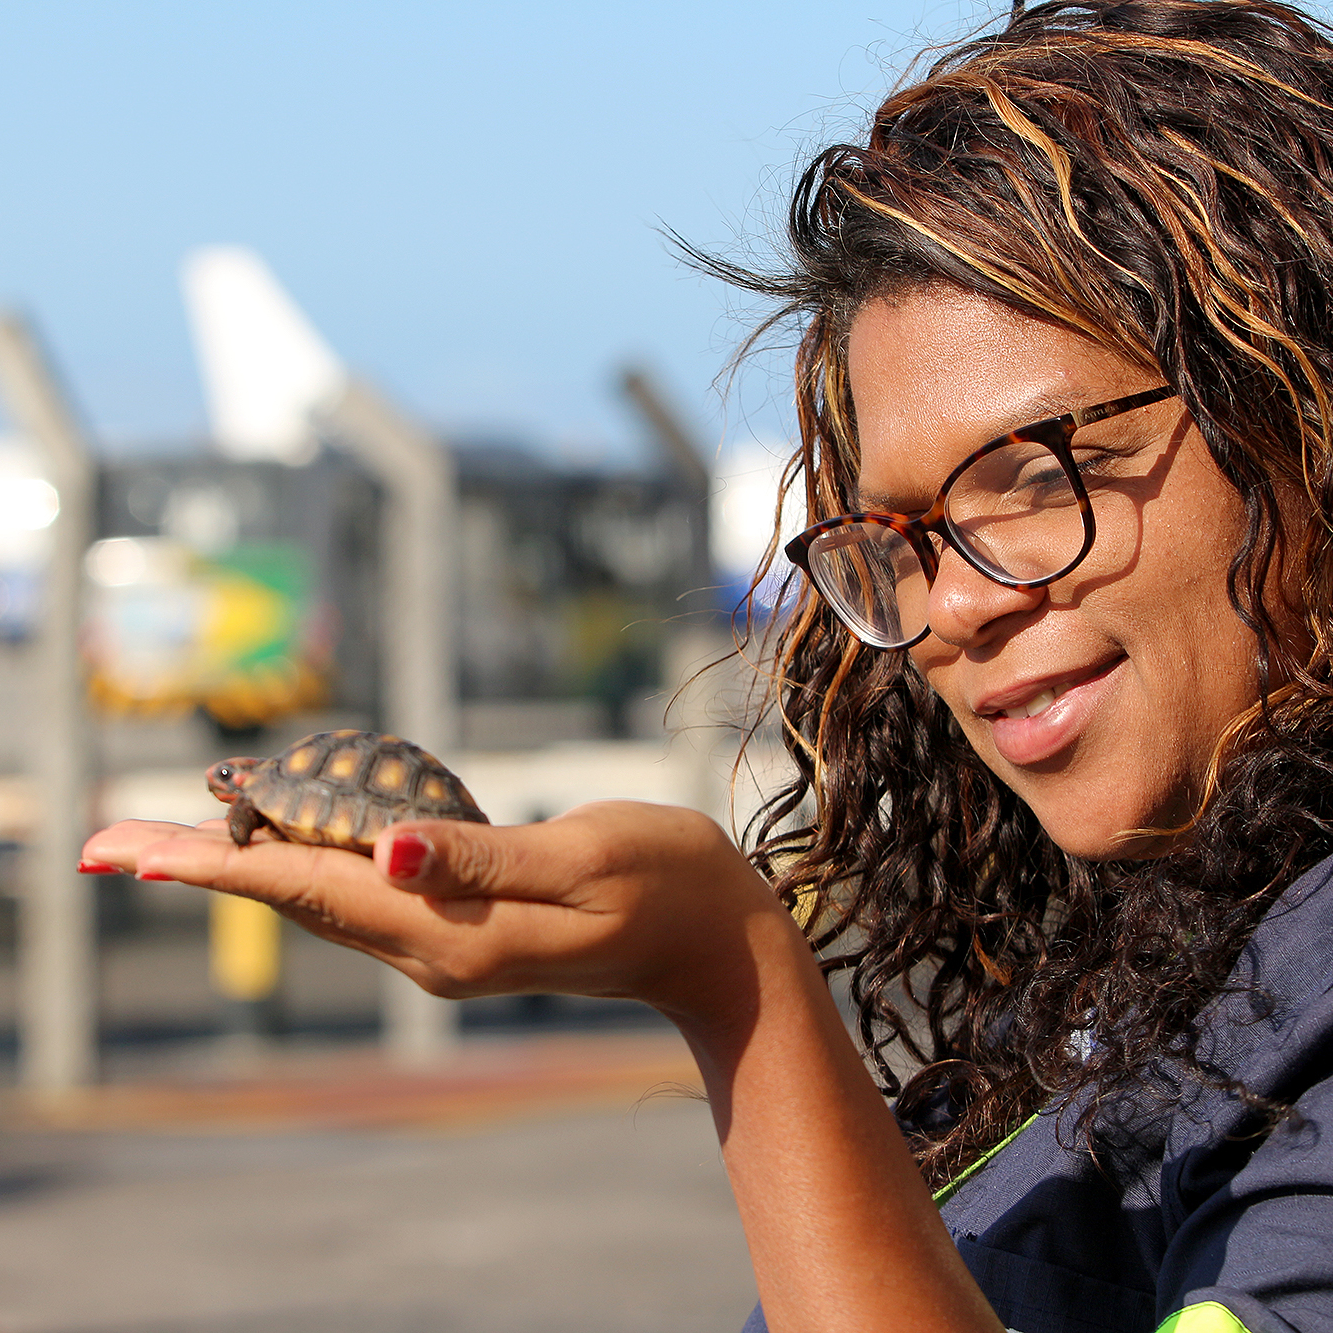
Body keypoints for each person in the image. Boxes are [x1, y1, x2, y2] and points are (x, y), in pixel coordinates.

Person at [82, 0, 1333, 1328]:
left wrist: (735, 980)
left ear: (1301, 412)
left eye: (1033, 476)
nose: (952, 606)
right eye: (899, 539)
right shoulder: (1155, 961)